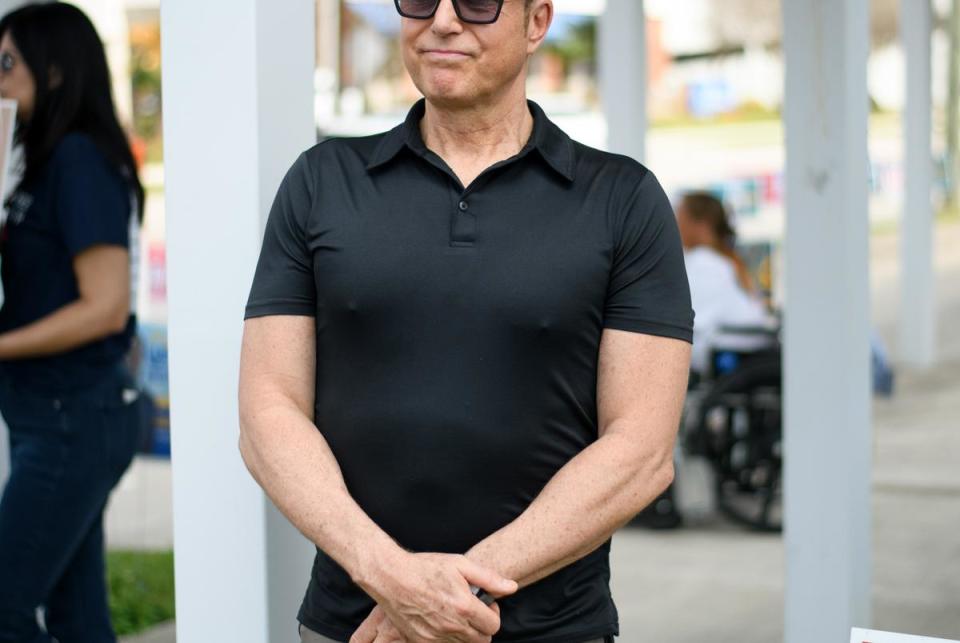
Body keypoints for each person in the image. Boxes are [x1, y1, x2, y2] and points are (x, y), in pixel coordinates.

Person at [239, 1, 693, 641]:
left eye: (478, 2)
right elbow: (267, 412)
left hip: (549, 629)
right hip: (356, 625)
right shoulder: (321, 183)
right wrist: (392, 579)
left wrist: (444, 597)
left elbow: (642, 450)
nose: (443, 21)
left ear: (537, 22)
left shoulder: (622, 200)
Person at [0, 4, 144, 642]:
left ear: (54, 70)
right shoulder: (38, 159)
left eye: (7, 63)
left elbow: (104, 306)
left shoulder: (79, 160)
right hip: (54, 416)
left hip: (74, 418)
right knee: (77, 616)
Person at [676, 192, 772, 374]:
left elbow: (689, 321)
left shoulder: (704, 262)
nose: (675, 226)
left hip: (726, 352)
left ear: (701, 224)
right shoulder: (726, 260)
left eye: (680, 218)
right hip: (746, 347)